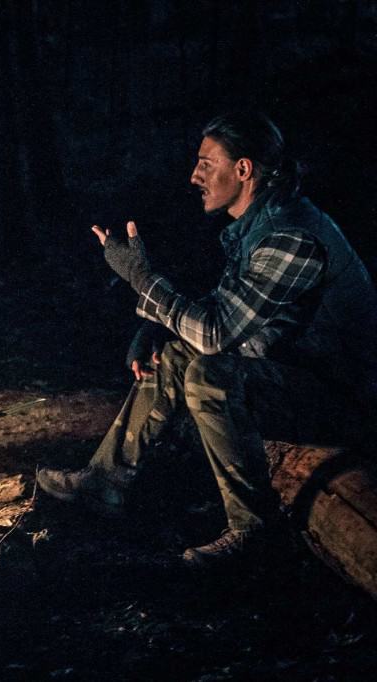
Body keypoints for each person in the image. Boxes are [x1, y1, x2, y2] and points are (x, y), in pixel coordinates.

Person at [35, 112, 377, 569]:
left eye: (206, 163)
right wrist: (155, 326)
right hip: (298, 378)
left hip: (341, 401)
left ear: (243, 170)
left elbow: (216, 334)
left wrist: (142, 279)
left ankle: (255, 532)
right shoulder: (258, 225)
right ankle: (106, 482)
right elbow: (222, 309)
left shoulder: (292, 237)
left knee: (209, 370)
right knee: (178, 351)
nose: (194, 175)